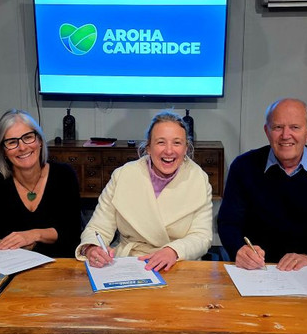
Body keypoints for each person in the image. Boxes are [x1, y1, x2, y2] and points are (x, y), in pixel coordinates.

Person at [217, 98, 307, 271]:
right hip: (256, 270)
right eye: (278, 127)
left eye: (295, 127)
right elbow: (228, 222)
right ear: (267, 131)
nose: (285, 135)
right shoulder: (243, 166)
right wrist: (239, 249)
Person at [75, 110, 213, 272]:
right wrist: (92, 248)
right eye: (161, 142)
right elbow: (98, 228)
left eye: (177, 143)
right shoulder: (123, 175)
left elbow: (202, 236)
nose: (169, 151)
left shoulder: (198, 179)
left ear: (186, 148)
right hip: (131, 261)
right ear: (148, 147)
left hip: (180, 263)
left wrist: (173, 251)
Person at [0, 109, 82, 261]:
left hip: (57, 264)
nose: (22, 147)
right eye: (12, 142)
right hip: (5, 264)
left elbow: (72, 232)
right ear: (3, 150)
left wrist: (33, 235)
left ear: (40, 141)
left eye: (28, 137)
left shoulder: (64, 175)